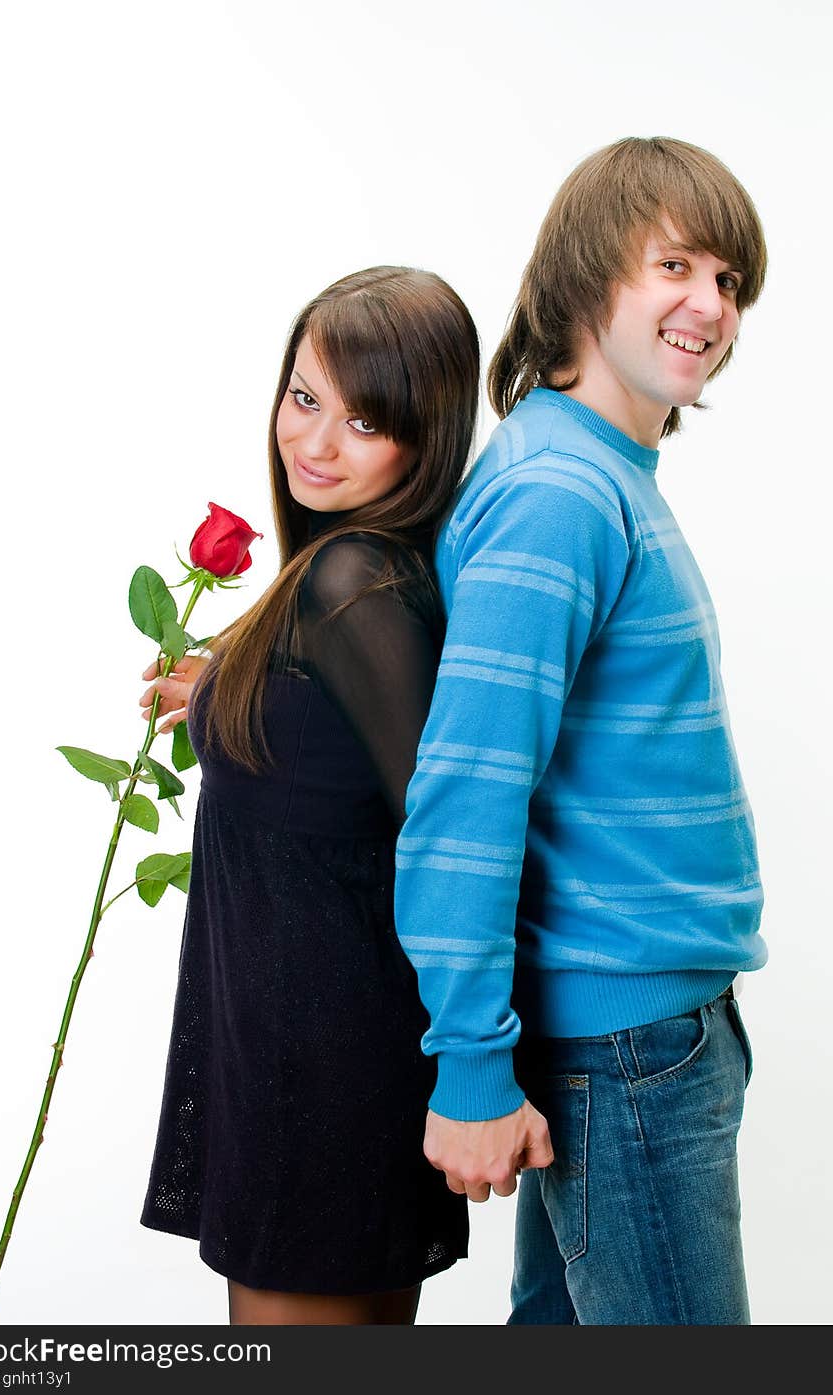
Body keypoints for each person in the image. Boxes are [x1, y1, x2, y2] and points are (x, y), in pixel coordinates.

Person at [392, 136, 769, 1325]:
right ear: (583, 276)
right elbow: (467, 791)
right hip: (626, 1051)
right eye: (675, 265)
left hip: (650, 1036)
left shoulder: (602, 474)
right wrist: (467, 1066)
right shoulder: (561, 493)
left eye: (729, 281)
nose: (707, 305)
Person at [139, 266, 480, 1325]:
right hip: (299, 1061)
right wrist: (225, 692)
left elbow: (450, 831)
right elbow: (348, 769)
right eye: (304, 399)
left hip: (321, 1084)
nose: (316, 444)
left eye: (364, 420)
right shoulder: (340, 580)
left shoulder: (351, 585)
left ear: (425, 437)